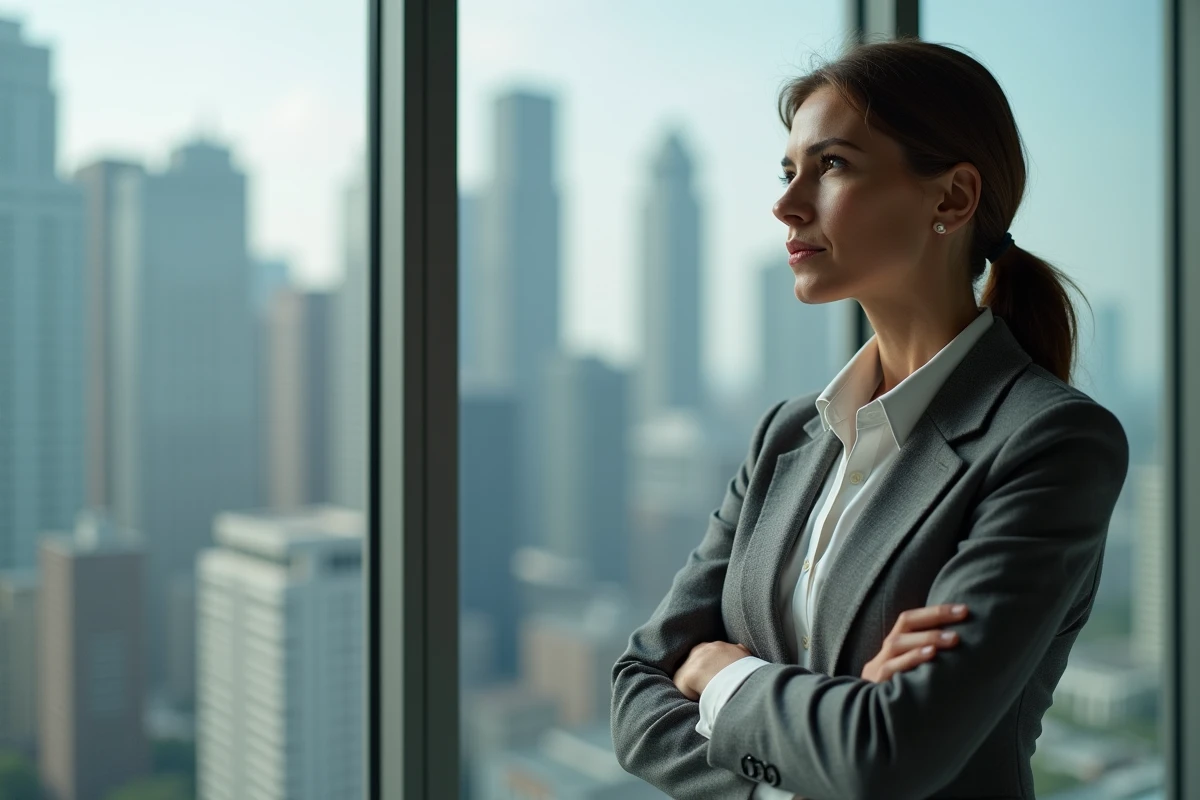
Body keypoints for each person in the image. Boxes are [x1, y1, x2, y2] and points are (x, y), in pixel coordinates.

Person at [610, 36, 1129, 800]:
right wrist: (827, 732)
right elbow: (635, 695)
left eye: (832, 166)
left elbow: (890, 755)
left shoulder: (1050, 442)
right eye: (789, 171)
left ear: (951, 199)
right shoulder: (786, 436)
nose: (786, 203)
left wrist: (722, 673)